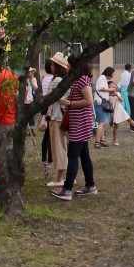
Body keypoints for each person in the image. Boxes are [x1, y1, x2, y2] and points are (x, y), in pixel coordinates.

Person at [51, 56, 97, 201]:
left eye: (69, 66)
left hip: (80, 123)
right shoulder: (79, 79)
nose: (68, 68)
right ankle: (90, 186)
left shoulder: (82, 79)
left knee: (72, 156)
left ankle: (67, 189)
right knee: (84, 155)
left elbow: (89, 100)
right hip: (80, 122)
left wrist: (68, 102)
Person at [45, 52, 69, 187]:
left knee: (59, 148)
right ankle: (66, 175)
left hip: (56, 117)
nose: (51, 67)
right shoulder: (67, 79)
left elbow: (50, 98)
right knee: (65, 147)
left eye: (53, 64)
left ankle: (60, 178)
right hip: (63, 116)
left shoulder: (56, 81)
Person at [93, 67, 115, 148]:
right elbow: (101, 88)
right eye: (112, 74)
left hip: (102, 103)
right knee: (102, 123)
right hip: (100, 103)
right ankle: (97, 141)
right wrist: (111, 89)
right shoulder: (102, 77)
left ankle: (102, 140)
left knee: (103, 123)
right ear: (109, 73)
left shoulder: (104, 79)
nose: (113, 75)